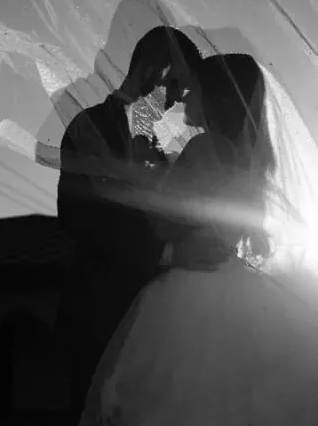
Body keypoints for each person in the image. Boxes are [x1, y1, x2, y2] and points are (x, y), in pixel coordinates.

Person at [78, 53, 318, 425]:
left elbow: (165, 223)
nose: (186, 98)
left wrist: (139, 166)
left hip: (192, 286)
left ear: (215, 97)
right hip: (235, 279)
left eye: (195, 91)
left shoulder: (204, 147)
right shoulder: (249, 155)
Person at [55, 26, 203, 420]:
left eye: (183, 91)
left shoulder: (166, 143)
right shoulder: (90, 126)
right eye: (173, 85)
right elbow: (77, 216)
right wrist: (166, 251)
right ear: (150, 71)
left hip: (157, 323)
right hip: (100, 310)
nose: (176, 99)